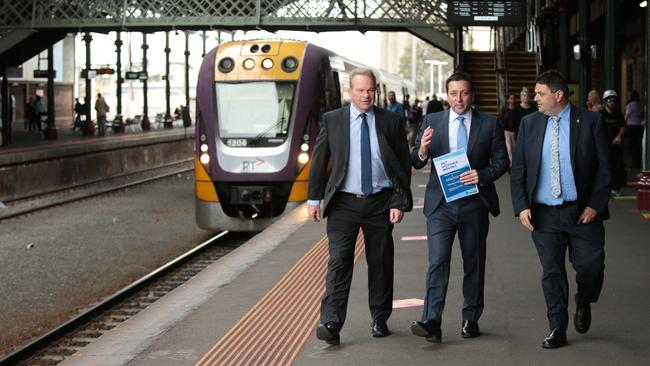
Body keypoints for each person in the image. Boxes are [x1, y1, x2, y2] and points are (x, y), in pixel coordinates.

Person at [308, 68, 413, 345]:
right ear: (349, 92)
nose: (366, 95)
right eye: (361, 90)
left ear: (375, 90)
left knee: (380, 262)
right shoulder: (333, 120)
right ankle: (331, 322)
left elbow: (402, 164)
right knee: (339, 260)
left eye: (371, 90)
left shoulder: (390, 120)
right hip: (343, 202)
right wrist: (313, 199)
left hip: (380, 201)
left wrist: (399, 201)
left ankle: (379, 318)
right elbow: (319, 160)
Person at [510, 69, 611, 349]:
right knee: (552, 272)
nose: (535, 99)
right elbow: (519, 168)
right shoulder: (529, 124)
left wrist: (595, 205)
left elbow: (605, 168)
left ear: (559, 95)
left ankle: (584, 300)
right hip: (544, 214)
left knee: (591, 267)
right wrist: (521, 207)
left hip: (582, 212)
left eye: (540, 94)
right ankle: (557, 328)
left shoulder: (590, 121)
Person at [410, 71, 509, 343]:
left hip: (474, 203)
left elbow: (502, 162)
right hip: (441, 205)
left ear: (472, 95)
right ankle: (432, 320)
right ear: (446, 95)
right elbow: (416, 160)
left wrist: (483, 175)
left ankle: (471, 317)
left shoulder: (489, 124)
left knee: (473, 263)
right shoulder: (433, 121)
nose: (459, 98)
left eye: (464, 93)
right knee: (438, 261)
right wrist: (422, 151)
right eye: (453, 93)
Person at [600, 90, 626, 196]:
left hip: (615, 145)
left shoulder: (618, 114)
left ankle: (616, 187)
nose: (612, 103)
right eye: (610, 100)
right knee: (605, 166)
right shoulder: (601, 114)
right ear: (605, 101)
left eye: (614, 100)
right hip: (604, 145)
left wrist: (619, 137)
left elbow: (622, 127)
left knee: (616, 166)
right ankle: (606, 188)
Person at [624, 90, 644, 170]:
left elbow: (626, 116)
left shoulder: (630, 105)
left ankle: (633, 164)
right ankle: (639, 164)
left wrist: (623, 124)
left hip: (631, 127)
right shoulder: (640, 105)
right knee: (638, 146)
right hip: (639, 127)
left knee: (632, 147)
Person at [500, 93, 519, 165]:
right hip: (507, 131)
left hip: (514, 131)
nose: (512, 100)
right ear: (508, 100)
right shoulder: (505, 109)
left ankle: (515, 162)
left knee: (514, 148)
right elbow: (501, 120)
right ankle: (511, 164)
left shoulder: (517, 109)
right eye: (510, 98)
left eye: (513, 98)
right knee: (509, 148)